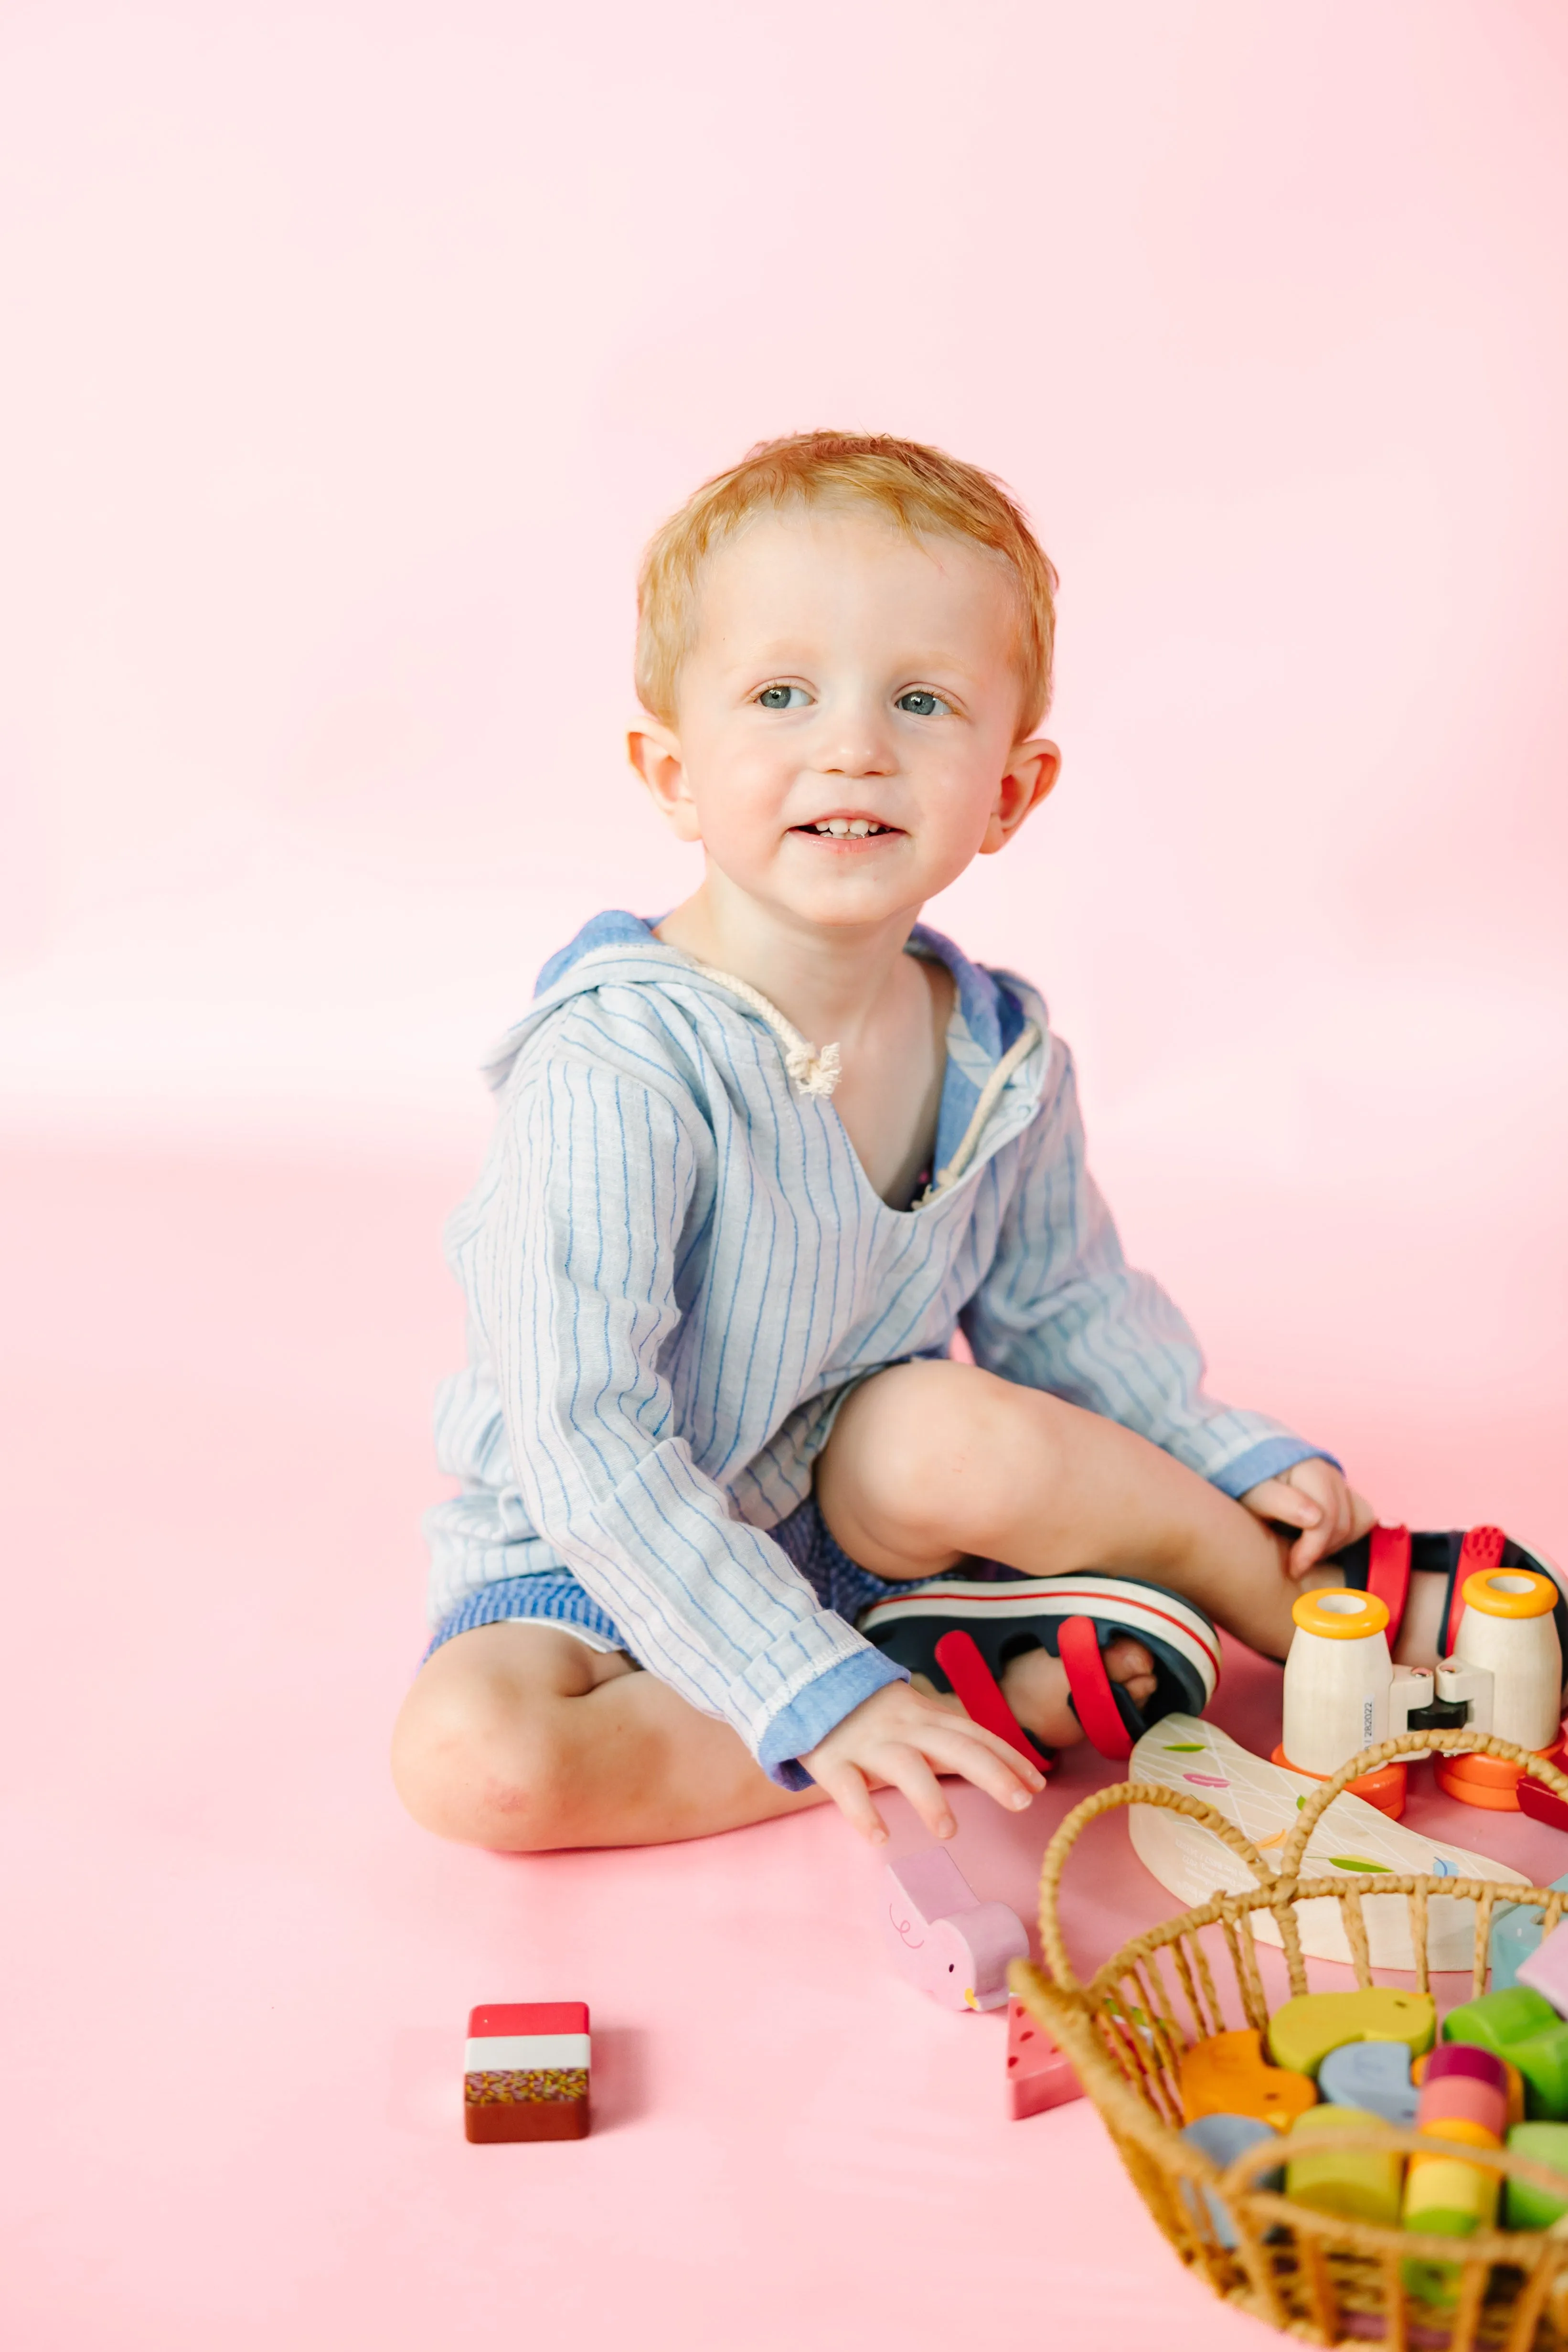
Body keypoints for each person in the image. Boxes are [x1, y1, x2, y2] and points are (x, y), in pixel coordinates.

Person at [392, 430, 1375, 1855]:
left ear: (1010, 793)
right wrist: (812, 1687)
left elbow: (1062, 1308)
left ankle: (1282, 1598)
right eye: (781, 693)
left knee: (944, 1430)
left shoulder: (998, 1052)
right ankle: (949, 1684)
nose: (851, 744)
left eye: (920, 700)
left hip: (857, 1511)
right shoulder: (615, 1068)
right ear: (671, 771)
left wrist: (1214, 1450)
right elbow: (582, 1429)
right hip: (605, 1550)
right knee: (473, 1758)